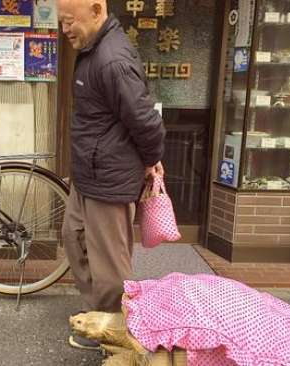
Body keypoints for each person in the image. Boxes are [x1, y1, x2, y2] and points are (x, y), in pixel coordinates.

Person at [56, 0, 166, 351]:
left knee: (109, 265)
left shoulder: (113, 59)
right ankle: (96, 315)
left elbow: (147, 121)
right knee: (75, 240)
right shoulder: (92, 49)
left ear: (96, 9)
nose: (65, 29)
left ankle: (116, 335)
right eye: (61, 22)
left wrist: (151, 161)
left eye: (69, 20)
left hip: (110, 178)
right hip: (90, 172)